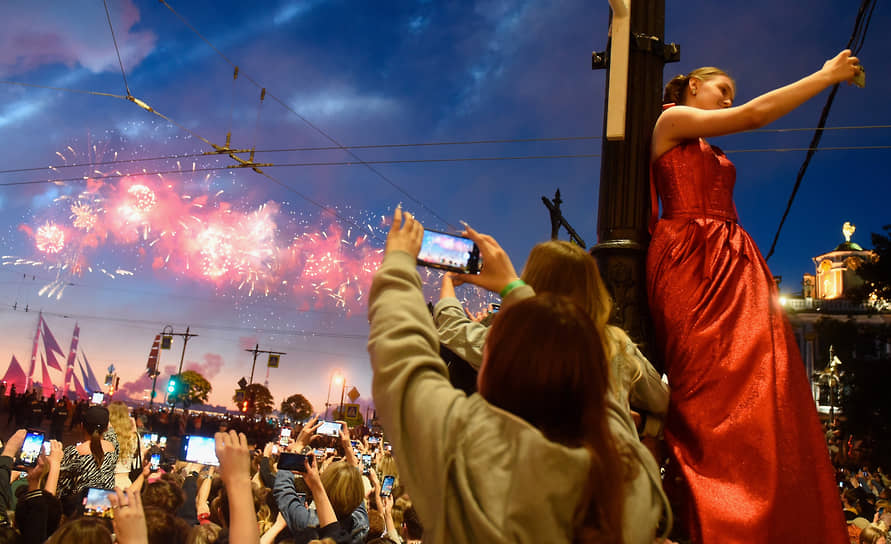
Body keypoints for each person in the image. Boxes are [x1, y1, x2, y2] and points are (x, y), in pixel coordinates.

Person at [646, 49, 861, 543]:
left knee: (760, 389)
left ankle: (762, 520)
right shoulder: (672, 120)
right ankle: (718, 518)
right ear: (690, 87)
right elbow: (756, 116)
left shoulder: (698, 138)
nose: (728, 99)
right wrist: (824, 75)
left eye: (731, 95)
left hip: (730, 260)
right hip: (693, 262)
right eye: (721, 89)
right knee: (707, 391)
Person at [366, 207, 670, 543]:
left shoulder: (467, 452)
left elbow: (404, 359)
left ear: (494, 370)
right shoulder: (631, 478)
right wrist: (645, 426)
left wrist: (398, 264)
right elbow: (590, 385)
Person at [436, 238, 668, 439]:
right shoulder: (618, 344)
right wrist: (646, 424)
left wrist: (447, 283)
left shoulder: (518, 340)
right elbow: (663, 401)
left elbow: (453, 329)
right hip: (614, 479)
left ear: (533, 282)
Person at [56, 405, 118, 500]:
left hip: (80, 508)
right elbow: (111, 431)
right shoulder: (113, 448)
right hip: (105, 506)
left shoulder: (74, 452)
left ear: (81, 426)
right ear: (105, 429)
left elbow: (60, 486)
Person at [109, 401, 141, 489]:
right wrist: (134, 427)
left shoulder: (105, 435)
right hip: (125, 484)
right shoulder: (134, 437)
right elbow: (139, 459)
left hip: (105, 482)